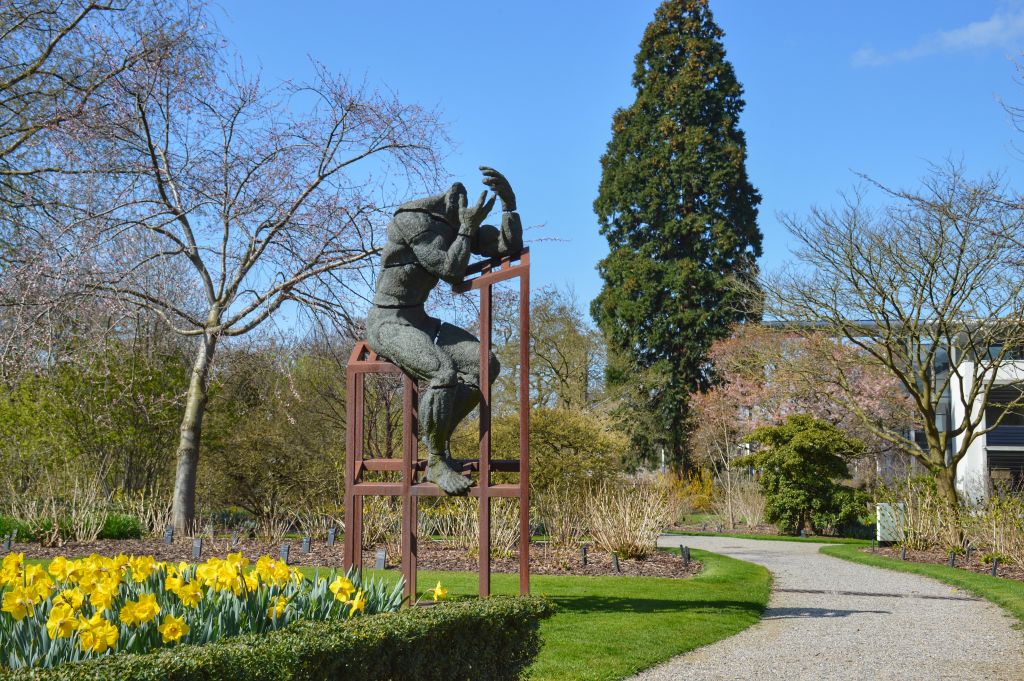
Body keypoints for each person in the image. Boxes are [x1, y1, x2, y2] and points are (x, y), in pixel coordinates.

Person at [366, 167, 523, 494]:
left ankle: (434, 432)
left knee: (485, 365)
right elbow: (450, 270)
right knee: (442, 372)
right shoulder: (411, 221)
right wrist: (466, 227)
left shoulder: (455, 226)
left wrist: (509, 205)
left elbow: (506, 245)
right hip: (388, 321)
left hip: (420, 319)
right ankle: (437, 459)